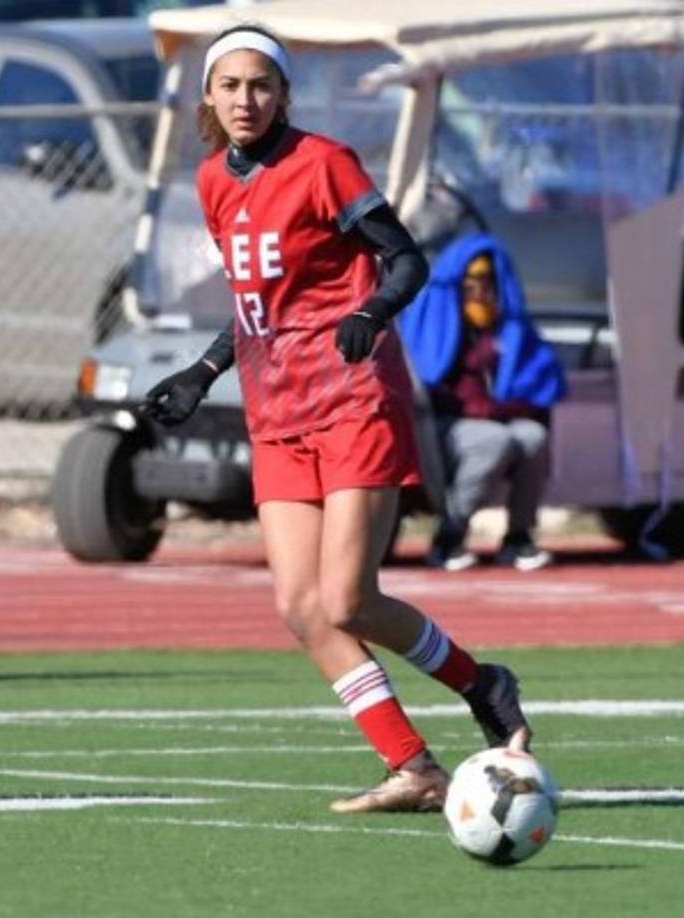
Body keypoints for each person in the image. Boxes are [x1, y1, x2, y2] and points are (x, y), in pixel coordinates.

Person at [141, 25, 531, 813]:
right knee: (299, 607)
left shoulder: (324, 163)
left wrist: (373, 310)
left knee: (347, 598)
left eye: (260, 85)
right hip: (275, 408)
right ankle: (413, 767)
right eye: (230, 86)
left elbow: (408, 258)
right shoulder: (216, 179)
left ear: (282, 93)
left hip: (353, 399)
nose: (245, 99)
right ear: (208, 98)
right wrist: (201, 372)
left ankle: (480, 683)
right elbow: (259, 310)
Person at [398, 234, 566, 572]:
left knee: (533, 436)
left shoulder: (507, 331)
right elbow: (429, 384)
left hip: (494, 417)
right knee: (493, 440)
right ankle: (450, 533)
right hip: (442, 426)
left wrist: (498, 398)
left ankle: (518, 535)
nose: (481, 293)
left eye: (489, 283)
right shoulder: (436, 323)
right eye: (472, 283)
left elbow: (534, 385)